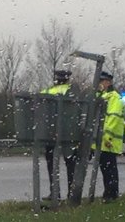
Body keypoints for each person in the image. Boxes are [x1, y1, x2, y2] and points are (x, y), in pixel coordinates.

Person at [40, 70, 78, 200]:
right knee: (70, 164)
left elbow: (39, 107)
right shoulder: (72, 92)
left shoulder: (48, 91)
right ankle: (71, 193)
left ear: (56, 79)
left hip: (50, 134)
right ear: (68, 79)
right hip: (68, 134)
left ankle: (55, 192)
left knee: (52, 165)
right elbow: (75, 113)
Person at [97, 71, 125, 202]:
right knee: (105, 168)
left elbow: (113, 118)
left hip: (109, 140)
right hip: (102, 140)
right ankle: (108, 194)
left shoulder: (114, 98)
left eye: (102, 81)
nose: (100, 84)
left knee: (109, 169)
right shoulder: (102, 96)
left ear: (108, 82)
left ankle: (111, 194)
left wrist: (107, 137)